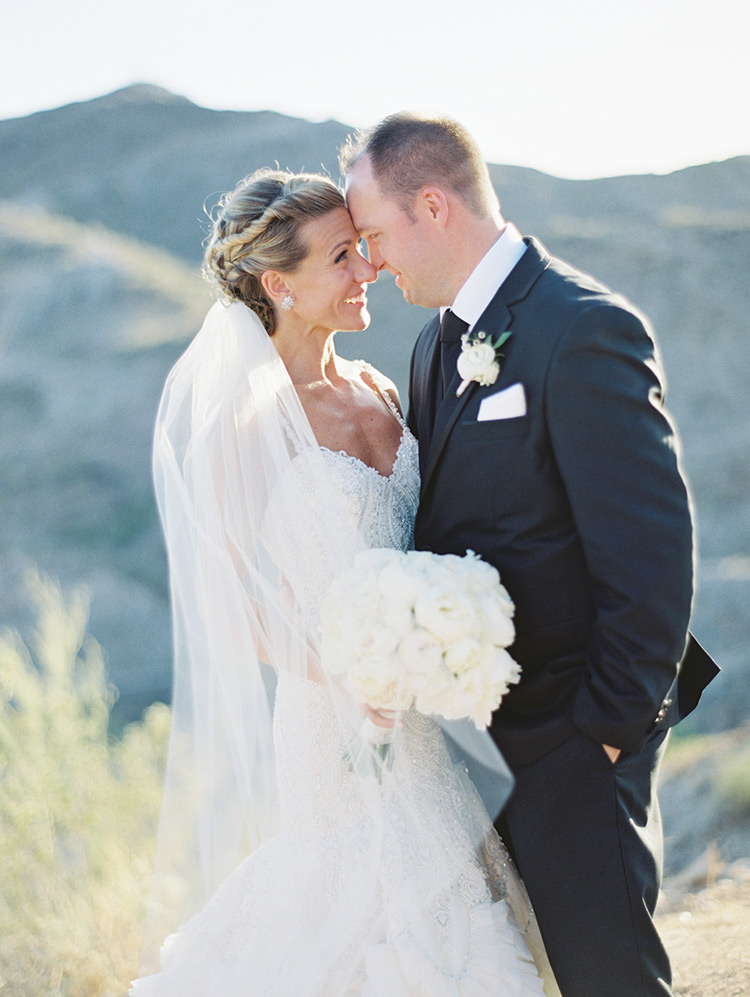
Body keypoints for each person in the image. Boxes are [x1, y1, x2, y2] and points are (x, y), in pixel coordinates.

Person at [130, 168, 551, 995]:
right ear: (278, 283)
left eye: (363, 249)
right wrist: (349, 674)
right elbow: (228, 603)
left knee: (461, 897)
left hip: (430, 709)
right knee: (367, 917)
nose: (367, 271)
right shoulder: (241, 427)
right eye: (340, 257)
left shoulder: (380, 387)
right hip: (334, 722)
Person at [342, 114, 719, 997]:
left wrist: (608, 733)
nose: (371, 262)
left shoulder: (582, 328)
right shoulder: (437, 345)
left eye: (373, 236)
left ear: (432, 205)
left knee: (609, 978)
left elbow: (652, 548)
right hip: (482, 744)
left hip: (575, 742)